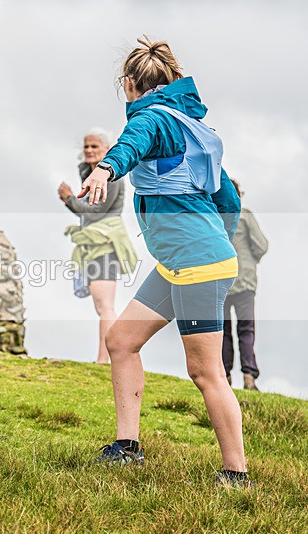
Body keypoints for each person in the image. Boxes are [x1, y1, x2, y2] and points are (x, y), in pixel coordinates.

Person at [80, 38, 249, 486]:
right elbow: (226, 197)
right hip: (184, 262)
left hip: (195, 262)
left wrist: (105, 168)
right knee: (121, 340)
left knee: (204, 370)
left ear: (129, 84)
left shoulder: (152, 119)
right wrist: (217, 247)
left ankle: (236, 474)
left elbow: (133, 143)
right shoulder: (196, 129)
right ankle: (127, 447)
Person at [58, 128, 137, 364]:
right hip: (92, 244)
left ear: (107, 149)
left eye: (95, 146)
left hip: (106, 244)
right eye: (87, 146)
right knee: (99, 305)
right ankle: (103, 357)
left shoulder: (111, 176)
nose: (89, 151)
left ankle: (105, 359)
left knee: (105, 305)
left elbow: (95, 211)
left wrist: (69, 200)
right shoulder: (89, 172)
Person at [223, 178, 268, 391]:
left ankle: (225, 376)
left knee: (222, 331)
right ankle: (249, 377)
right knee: (246, 329)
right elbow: (262, 245)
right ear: (238, 194)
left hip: (220, 282)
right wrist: (251, 260)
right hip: (245, 281)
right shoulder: (245, 215)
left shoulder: (214, 216)